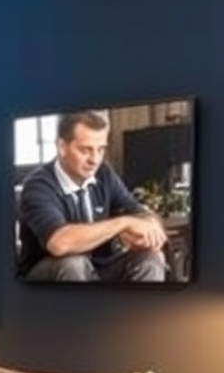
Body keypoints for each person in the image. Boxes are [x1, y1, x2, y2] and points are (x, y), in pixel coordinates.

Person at [17, 110, 168, 282]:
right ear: (62, 147)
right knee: (73, 264)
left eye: (100, 149)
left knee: (150, 259)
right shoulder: (38, 185)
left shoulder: (103, 173)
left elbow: (138, 212)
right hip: (45, 277)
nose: (95, 160)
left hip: (100, 268)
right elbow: (60, 244)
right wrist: (123, 224)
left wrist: (150, 230)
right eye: (85, 150)